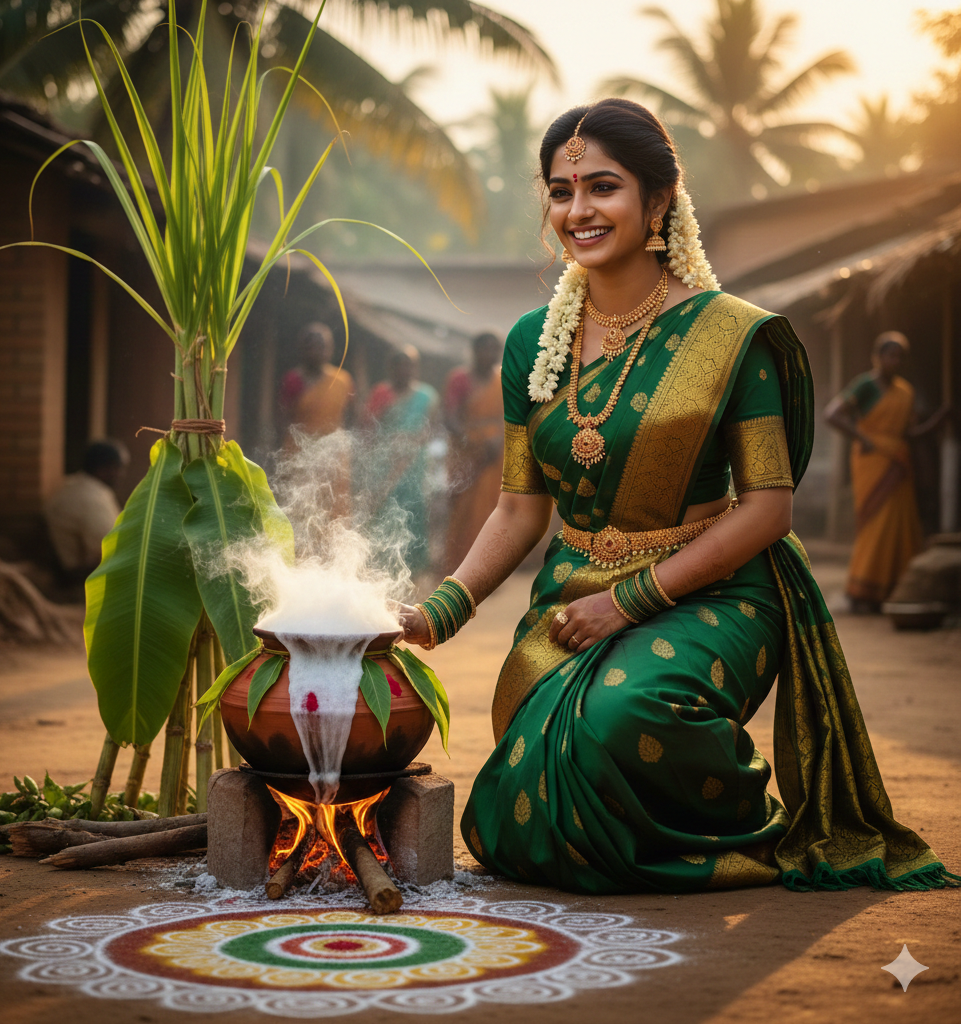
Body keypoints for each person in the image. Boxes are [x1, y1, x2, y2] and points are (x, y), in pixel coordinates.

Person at [399, 99, 958, 895]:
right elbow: (521, 508)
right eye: (561, 191)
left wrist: (627, 604)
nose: (578, 210)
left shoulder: (734, 336)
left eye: (603, 187)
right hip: (573, 590)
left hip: (720, 587)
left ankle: (746, 833)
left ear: (658, 201)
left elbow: (769, 509)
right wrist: (438, 612)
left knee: (621, 719)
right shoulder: (532, 343)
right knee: (516, 809)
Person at [825, 332, 950, 612]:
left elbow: (909, 433)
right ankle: (862, 591)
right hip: (872, 462)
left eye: (899, 356)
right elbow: (832, 414)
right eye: (890, 354)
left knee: (901, 525)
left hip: (898, 462)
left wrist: (936, 423)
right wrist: (865, 438)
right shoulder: (865, 386)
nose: (895, 361)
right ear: (877, 357)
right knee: (874, 524)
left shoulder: (905, 392)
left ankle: (894, 589)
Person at [365, 346, 439, 577]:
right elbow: (367, 429)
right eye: (398, 364)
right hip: (385, 464)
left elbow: (432, 428)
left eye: (409, 365)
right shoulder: (381, 394)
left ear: (415, 368)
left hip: (414, 464)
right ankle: (383, 565)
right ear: (390, 368)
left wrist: (412, 442)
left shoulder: (427, 396)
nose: (403, 370)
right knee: (384, 510)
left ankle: (413, 568)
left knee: (413, 510)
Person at [278, 322, 355, 516]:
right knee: (300, 507)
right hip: (299, 451)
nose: (316, 351)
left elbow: (351, 416)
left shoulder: (342, 380)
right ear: (302, 349)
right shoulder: (293, 380)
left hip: (334, 454)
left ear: (330, 349)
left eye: (322, 346)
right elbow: (282, 418)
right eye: (311, 346)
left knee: (332, 509)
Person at [443, 332, 506, 573]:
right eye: (484, 349)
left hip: (496, 453)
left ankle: (489, 569)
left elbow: (510, 416)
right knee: (462, 510)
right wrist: (473, 441)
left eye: (494, 349)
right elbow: (449, 417)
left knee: (494, 508)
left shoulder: (502, 379)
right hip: (466, 454)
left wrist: (497, 440)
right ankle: (460, 568)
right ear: (474, 350)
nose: (489, 354)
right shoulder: (459, 379)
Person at [45, 440, 128, 582]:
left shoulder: (73, 485)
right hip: (77, 578)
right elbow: (112, 549)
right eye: (118, 468)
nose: (121, 474)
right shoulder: (92, 497)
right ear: (104, 469)